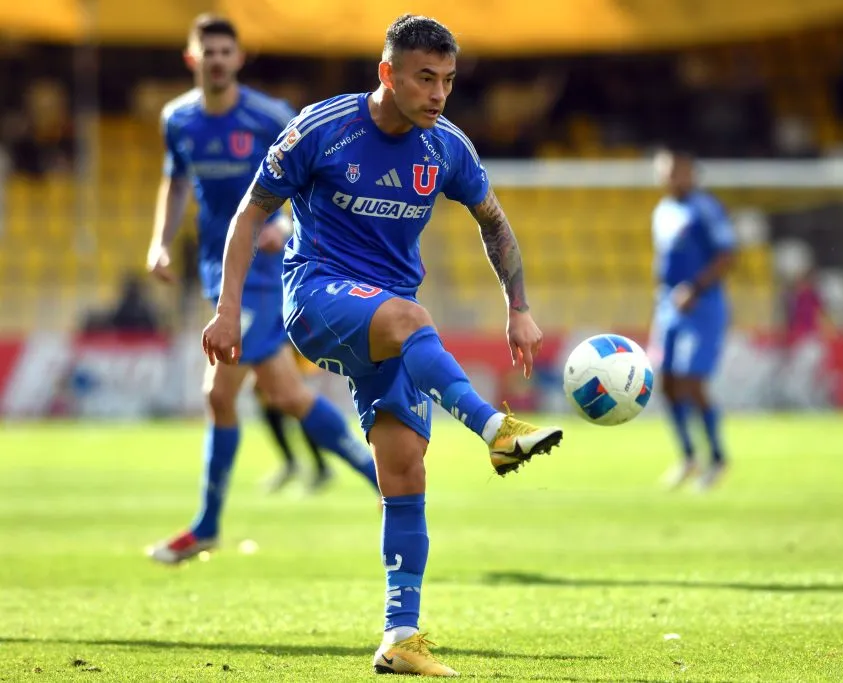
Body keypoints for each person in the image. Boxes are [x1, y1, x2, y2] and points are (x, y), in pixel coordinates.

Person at [201, 14, 563, 677]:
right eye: (425, 78)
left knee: (403, 471)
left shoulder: (445, 147)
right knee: (408, 317)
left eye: (449, 81)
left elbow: (495, 222)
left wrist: (519, 307)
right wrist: (227, 310)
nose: (438, 94)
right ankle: (495, 428)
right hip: (316, 296)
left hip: (389, 316)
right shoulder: (323, 127)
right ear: (388, 73)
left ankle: (400, 636)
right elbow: (251, 211)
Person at [145, 14, 378, 565]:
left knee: (217, 394)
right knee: (289, 396)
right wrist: (158, 242)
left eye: (227, 51)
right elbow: (174, 179)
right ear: (192, 59)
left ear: (239, 59)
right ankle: (384, 477)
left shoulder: (270, 116)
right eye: (210, 51)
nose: (218, 59)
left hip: (265, 274)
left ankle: (205, 526)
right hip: (217, 268)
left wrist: (286, 226)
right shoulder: (177, 119)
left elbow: (313, 179)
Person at [648, 150, 735, 491]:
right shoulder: (662, 211)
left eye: (679, 172)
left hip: (703, 305)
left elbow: (728, 255)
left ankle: (716, 458)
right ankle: (688, 457)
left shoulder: (706, 208)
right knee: (666, 382)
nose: (674, 179)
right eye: (668, 173)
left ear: (691, 174)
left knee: (693, 383)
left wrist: (695, 288)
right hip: (668, 306)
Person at [256, 349, 334, 494]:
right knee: (267, 395)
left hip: (288, 345)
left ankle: (320, 465)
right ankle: (295, 462)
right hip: (276, 345)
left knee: (297, 403)